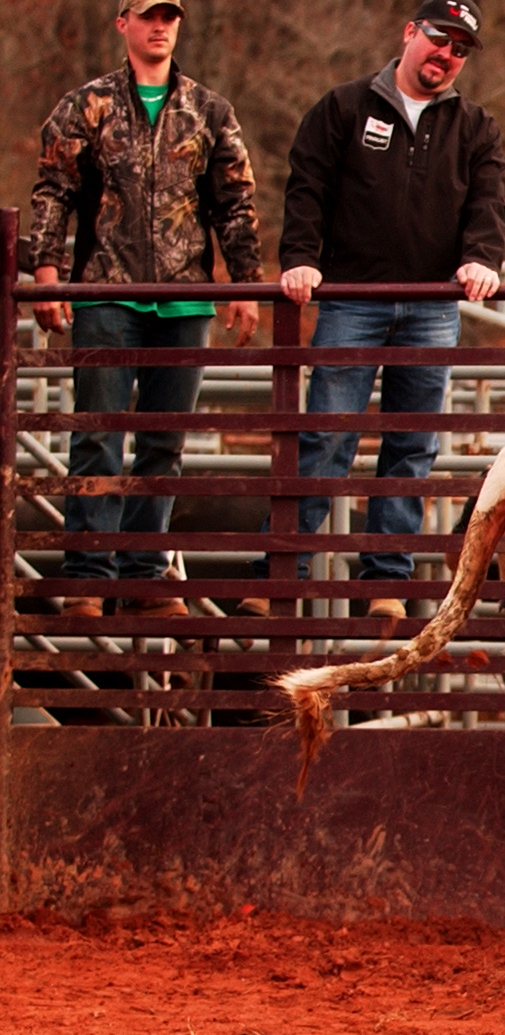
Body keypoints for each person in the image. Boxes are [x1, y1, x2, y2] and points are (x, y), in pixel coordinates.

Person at [241, 0, 505, 622]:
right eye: (439, 40)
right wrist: (300, 259)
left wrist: (481, 258)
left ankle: (387, 582)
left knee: (412, 445)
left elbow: (490, 203)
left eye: (460, 50)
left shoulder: (476, 128)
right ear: (410, 33)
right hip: (350, 300)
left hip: (432, 305)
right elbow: (307, 187)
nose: (446, 56)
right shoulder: (343, 107)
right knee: (324, 438)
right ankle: (278, 572)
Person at [27, 0, 262, 619]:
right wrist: (47, 272)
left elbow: (234, 200)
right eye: (148, 16)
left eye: (169, 17)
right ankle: (88, 577)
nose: (160, 27)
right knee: (98, 435)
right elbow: (54, 189)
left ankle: (145, 576)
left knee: (165, 441)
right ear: (122, 23)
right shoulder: (86, 105)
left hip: (186, 298)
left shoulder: (209, 110)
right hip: (106, 291)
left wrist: (243, 282)